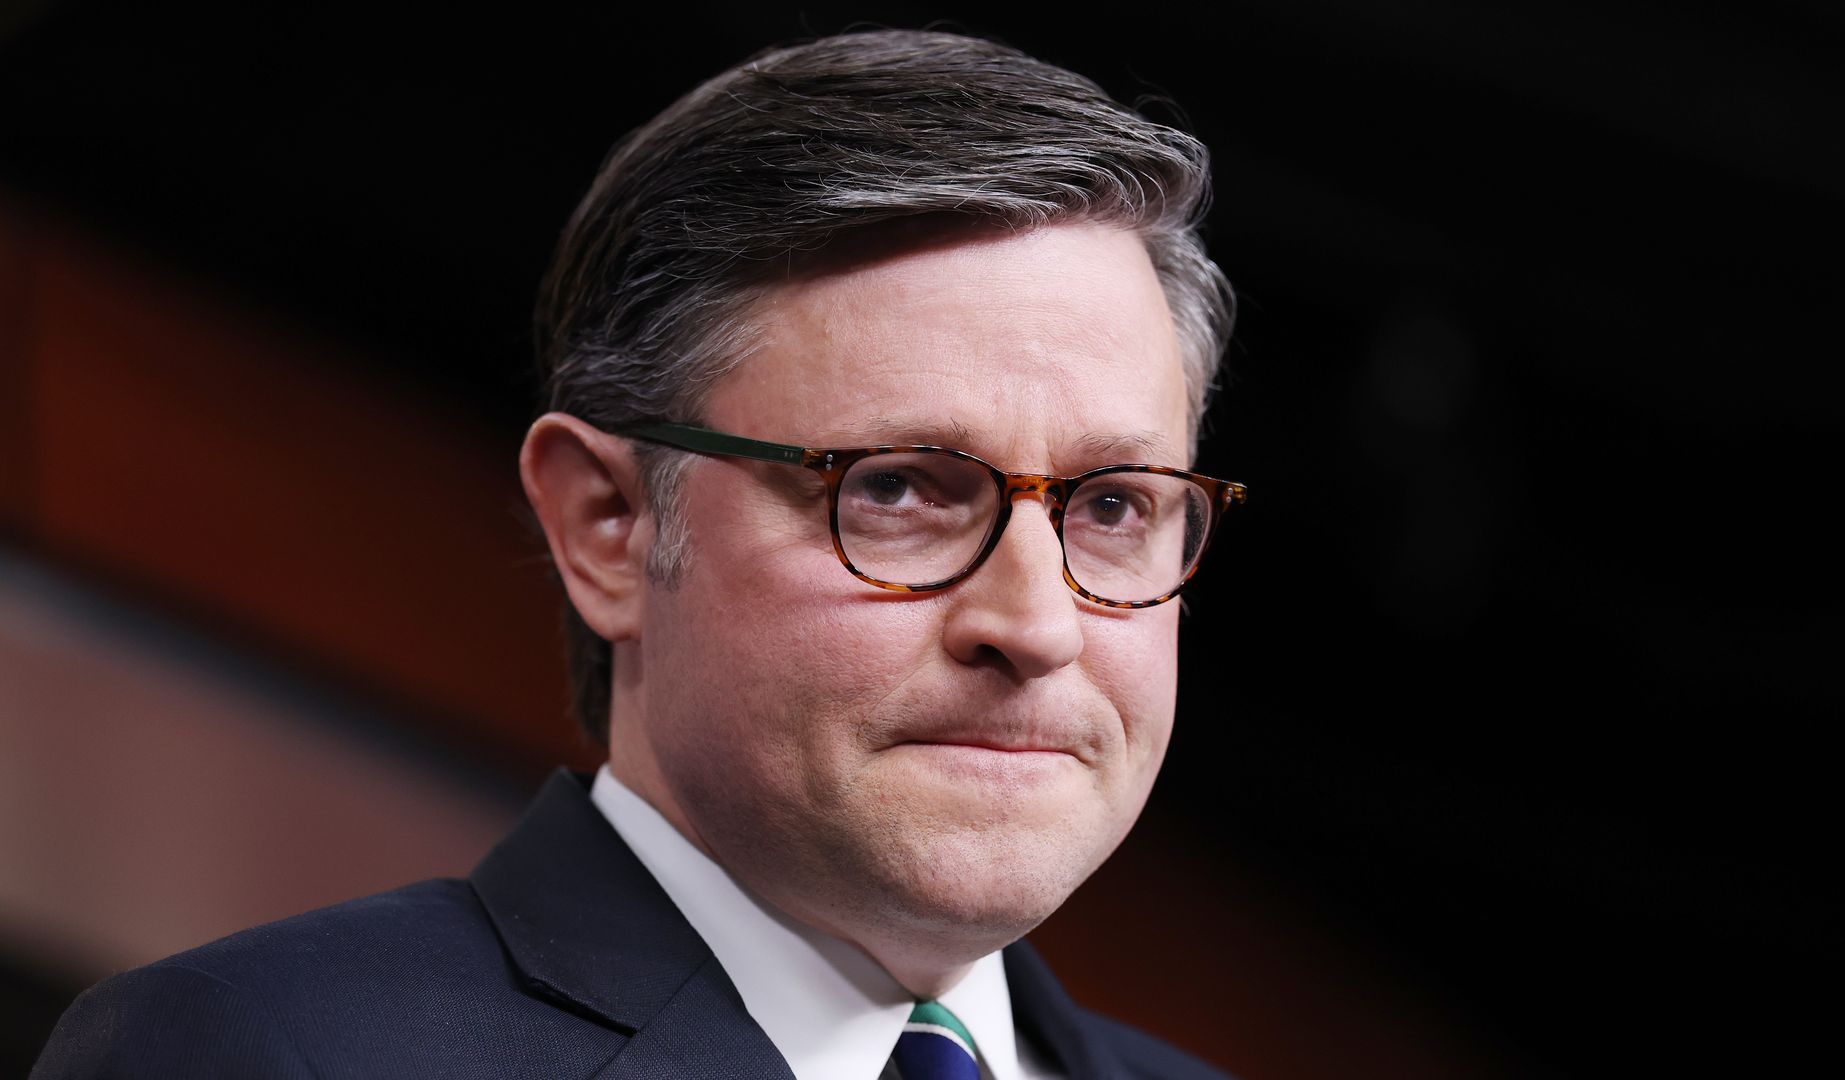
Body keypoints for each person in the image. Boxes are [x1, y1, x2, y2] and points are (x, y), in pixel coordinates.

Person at [33, 29, 1245, 1080]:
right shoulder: (257, 1055)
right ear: (608, 527)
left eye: (1113, 508)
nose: (1036, 625)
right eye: (897, 489)